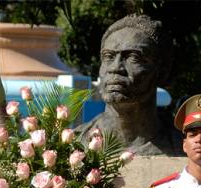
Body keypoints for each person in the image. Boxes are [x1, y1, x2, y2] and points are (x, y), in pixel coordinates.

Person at [76, 14, 182, 156]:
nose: (115, 68)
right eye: (108, 56)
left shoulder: (183, 148)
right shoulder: (73, 144)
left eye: (133, 57)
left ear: (162, 72)